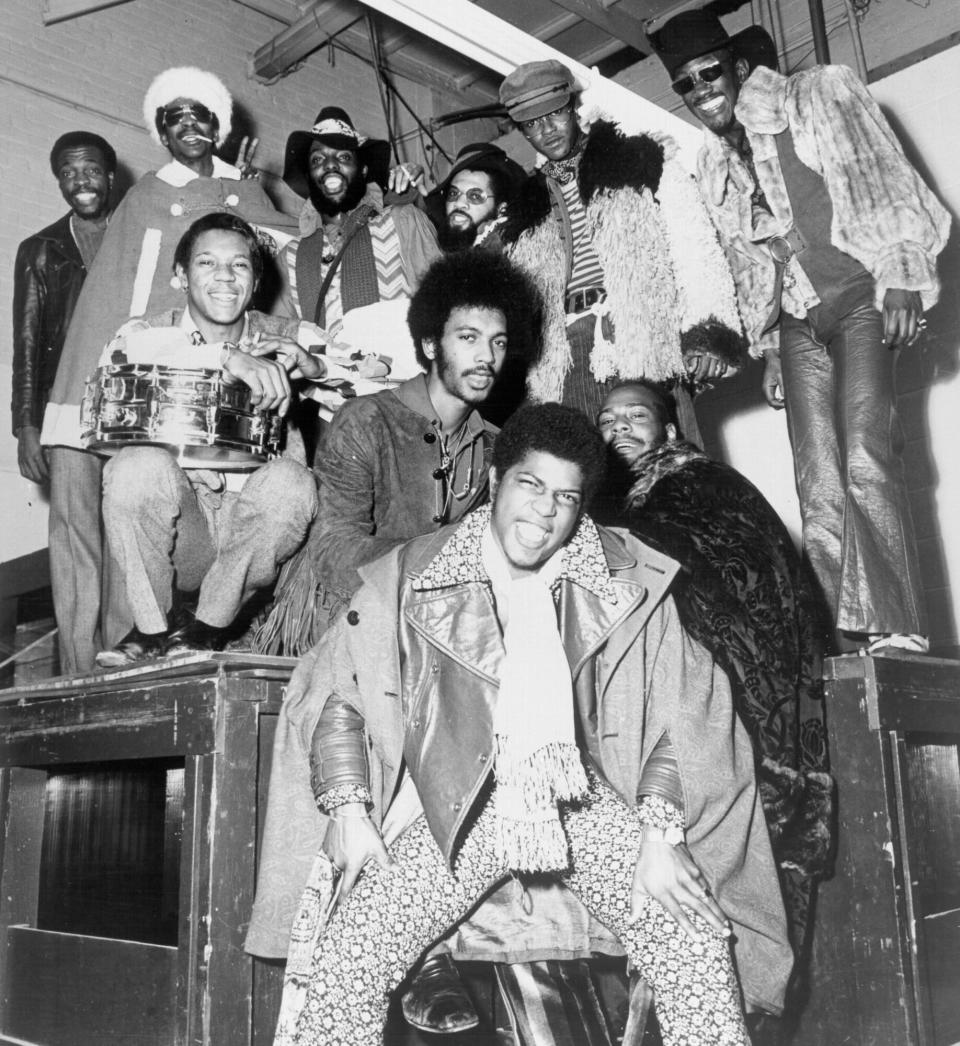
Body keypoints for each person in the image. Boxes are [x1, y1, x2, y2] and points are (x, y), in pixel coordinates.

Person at [264, 403, 792, 1046]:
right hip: (450, 805)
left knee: (693, 939)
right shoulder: (415, 571)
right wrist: (348, 811)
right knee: (351, 955)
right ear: (495, 484)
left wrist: (660, 832)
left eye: (566, 497)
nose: (545, 511)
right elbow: (340, 689)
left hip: (584, 802)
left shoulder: (625, 577)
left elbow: (683, 708)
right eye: (531, 485)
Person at [651, 10, 951, 653]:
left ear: (737, 69)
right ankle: (846, 641)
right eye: (685, 84)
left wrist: (901, 271)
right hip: (798, 322)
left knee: (867, 447)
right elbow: (745, 264)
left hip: (863, 295)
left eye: (710, 73)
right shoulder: (712, 164)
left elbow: (883, 177)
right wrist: (766, 349)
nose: (702, 90)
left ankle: (897, 625)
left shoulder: (818, 92)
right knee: (814, 477)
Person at [597, 380, 833, 983]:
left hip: (737, 702)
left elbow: (742, 581)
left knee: (736, 878)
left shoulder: (703, 486)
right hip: (665, 708)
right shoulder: (616, 503)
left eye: (636, 416)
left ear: (670, 430)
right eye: (607, 420)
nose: (619, 427)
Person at [94, 214, 318, 666]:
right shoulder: (146, 333)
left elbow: (378, 369)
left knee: (293, 482)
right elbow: (120, 357)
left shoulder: (288, 336)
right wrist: (227, 357)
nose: (224, 277)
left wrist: (317, 369)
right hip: (184, 529)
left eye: (239, 266)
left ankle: (206, 630)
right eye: (206, 263)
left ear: (256, 282)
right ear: (180, 275)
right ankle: (153, 630)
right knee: (133, 467)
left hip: (255, 533)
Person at [497, 59, 745, 438]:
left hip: (642, 343)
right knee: (587, 485)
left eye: (554, 114)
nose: (546, 130)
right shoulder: (522, 209)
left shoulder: (641, 160)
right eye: (532, 123)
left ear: (574, 108)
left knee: (669, 480)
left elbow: (696, 248)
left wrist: (707, 330)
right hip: (564, 359)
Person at [12, 130, 118, 674]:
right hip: (66, 409)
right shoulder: (40, 249)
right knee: (75, 539)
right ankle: (80, 673)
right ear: (59, 180)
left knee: (128, 535)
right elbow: (27, 343)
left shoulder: (136, 233)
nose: (82, 181)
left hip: (129, 409)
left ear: (110, 174)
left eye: (91, 169)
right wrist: (26, 426)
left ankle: (127, 662)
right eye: (70, 172)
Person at [278, 107, 441, 387]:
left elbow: (444, 310)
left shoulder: (403, 221)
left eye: (343, 157)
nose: (330, 164)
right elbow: (279, 338)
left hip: (403, 396)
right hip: (326, 405)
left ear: (363, 170)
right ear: (308, 174)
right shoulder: (291, 256)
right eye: (317, 159)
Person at [431, 142, 526, 253]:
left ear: (501, 209)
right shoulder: (442, 251)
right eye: (453, 193)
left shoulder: (516, 251)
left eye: (475, 196)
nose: (459, 203)